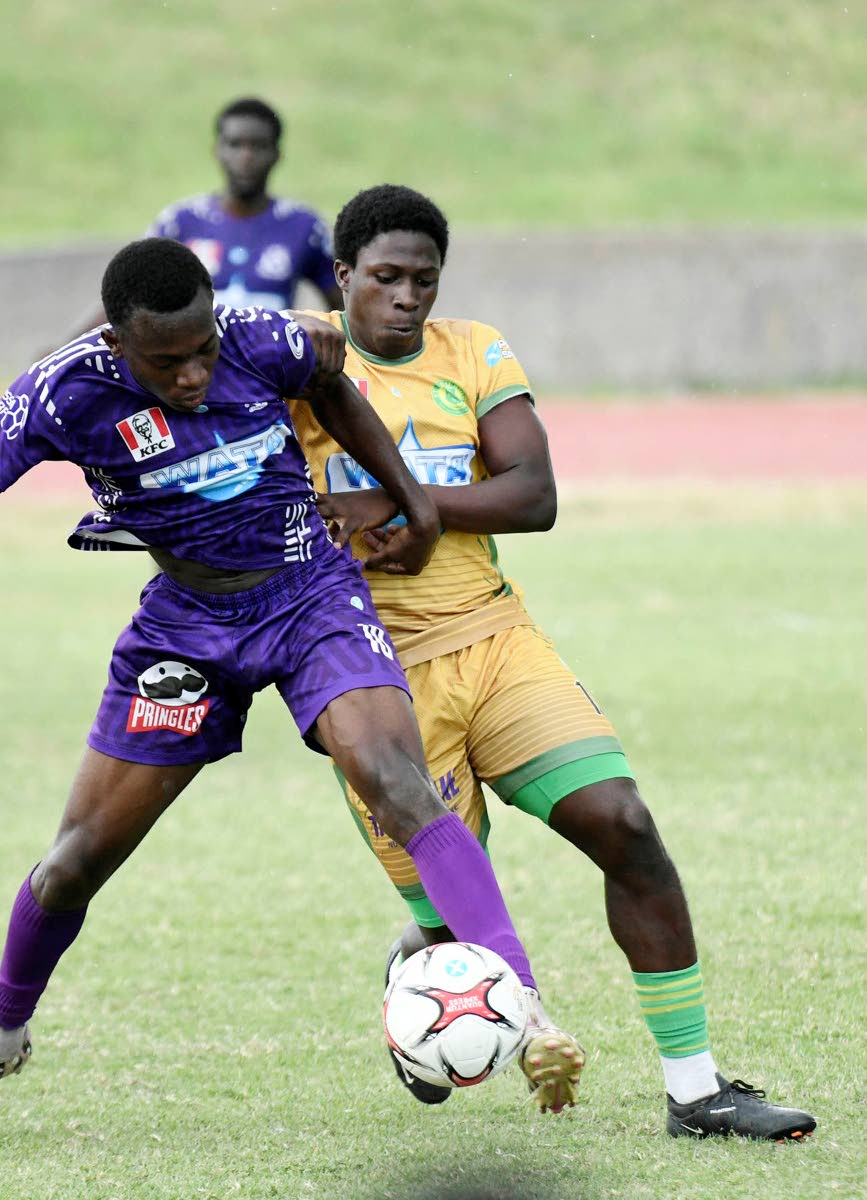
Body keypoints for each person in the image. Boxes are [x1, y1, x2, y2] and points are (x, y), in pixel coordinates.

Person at [0, 237, 543, 1141]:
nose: (196, 371)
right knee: (75, 863)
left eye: (204, 347)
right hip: (186, 630)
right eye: (168, 361)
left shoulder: (261, 339)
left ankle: (520, 996)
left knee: (396, 779)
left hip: (311, 595)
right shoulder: (64, 391)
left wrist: (414, 499)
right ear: (119, 345)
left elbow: (336, 396)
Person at [288, 184, 817, 1141]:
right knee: (455, 922)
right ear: (342, 279)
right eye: (384, 278)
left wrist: (406, 508)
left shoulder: (474, 350)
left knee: (624, 824)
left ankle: (695, 1092)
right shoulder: (301, 359)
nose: (405, 298)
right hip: (372, 675)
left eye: (423, 280)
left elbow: (533, 493)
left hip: (494, 641)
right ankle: (420, 961)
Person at [68, 98, 340, 339]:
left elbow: (346, 308)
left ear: (277, 154)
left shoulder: (304, 227)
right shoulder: (179, 223)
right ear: (217, 150)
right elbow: (126, 299)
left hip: (270, 380)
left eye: (258, 146)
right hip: (192, 378)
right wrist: (64, 350)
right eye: (235, 145)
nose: (246, 157)